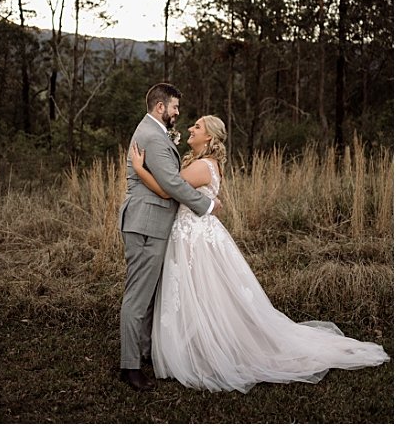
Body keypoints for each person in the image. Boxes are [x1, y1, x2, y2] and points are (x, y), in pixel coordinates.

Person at [129, 115, 389, 392]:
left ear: (209, 138)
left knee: (200, 292)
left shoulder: (203, 166)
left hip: (193, 238)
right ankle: (195, 341)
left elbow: (169, 190)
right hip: (194, 233)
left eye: (197, 127)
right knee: (203, 293)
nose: (191, 129)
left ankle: (205, 346)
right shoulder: (206, 164)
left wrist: (139, 168)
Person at [116, 83, 219, 391]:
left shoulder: (154, 133)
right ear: (160, 107)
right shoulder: (152, 136)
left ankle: (144, 352)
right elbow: (171, 184)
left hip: (151, 222)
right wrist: (207, 205)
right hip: (147, 224)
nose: (177, 112)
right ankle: (130, 367)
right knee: (138, 297)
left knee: (148, 295)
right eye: (174, 107)